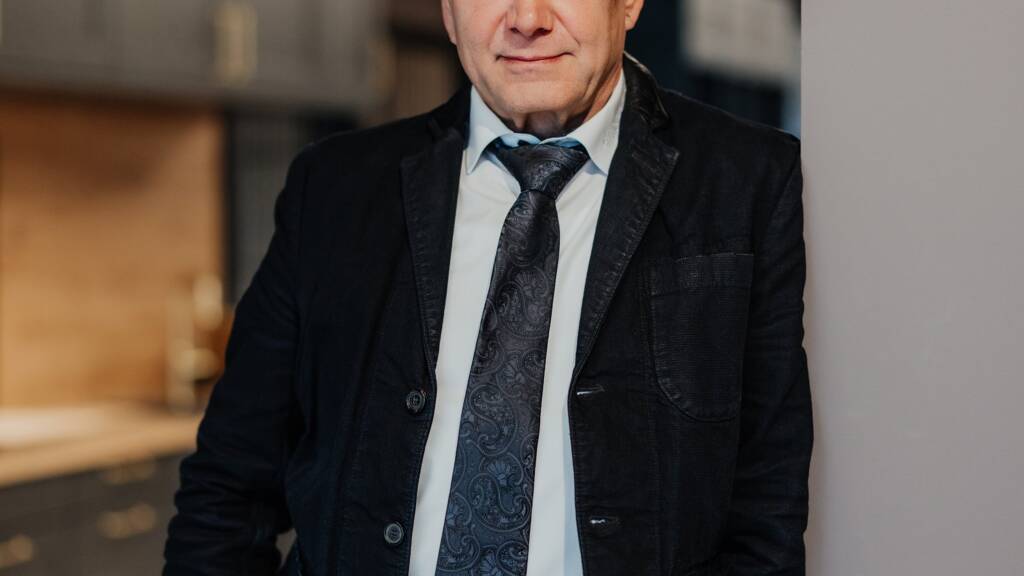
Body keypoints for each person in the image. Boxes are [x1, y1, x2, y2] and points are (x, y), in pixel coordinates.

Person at [163, 0, 813, 574]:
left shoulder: (746, 181)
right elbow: (229, 488)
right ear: (449, 12)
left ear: (629, 3)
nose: (527, 19)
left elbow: (767, 509)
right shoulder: (334, 190)